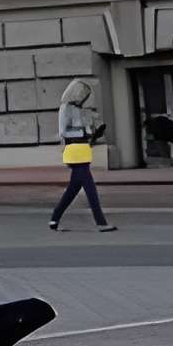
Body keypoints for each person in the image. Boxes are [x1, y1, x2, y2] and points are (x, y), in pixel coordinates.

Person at [51, 78, 114, 231]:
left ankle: (54, 219)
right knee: (90, 188)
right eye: (81, 94)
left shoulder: (80, 110)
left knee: (72, 190)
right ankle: (101, 223)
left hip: (83, 150)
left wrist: (94, 132)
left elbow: (86, 129)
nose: (82, 97)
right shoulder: (65, 108)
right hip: (74, 150)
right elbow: (63, 132)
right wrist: (84, 132)